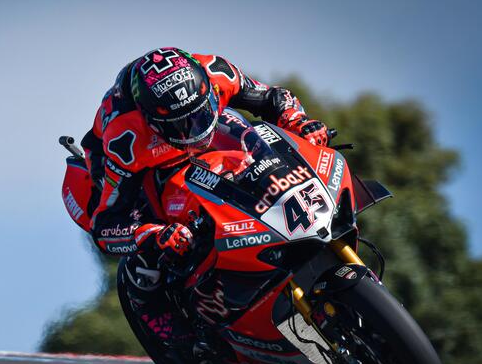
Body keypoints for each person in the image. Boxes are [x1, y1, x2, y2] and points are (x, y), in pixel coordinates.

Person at [80, 47, 329, 263]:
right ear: (152, 121)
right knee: (151, 236)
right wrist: (151, 235)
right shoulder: (125, 138)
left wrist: (297, 121)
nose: (196, 129)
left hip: (209, 137)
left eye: (200, 113)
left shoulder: (218, 72)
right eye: (184, 123)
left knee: (248, 140)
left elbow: (274, 97)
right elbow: (104, 226)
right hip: (129, 161)